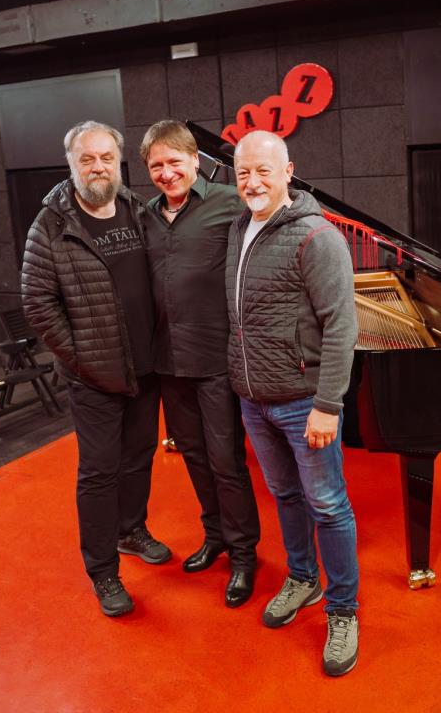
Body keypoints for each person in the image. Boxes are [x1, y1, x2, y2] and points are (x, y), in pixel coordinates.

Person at [21, 120, 171, 618]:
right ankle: (104, 571)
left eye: (106, 157)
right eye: (87, 159)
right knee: (100, 473)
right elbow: (38, 304)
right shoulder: (50, 225)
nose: (98, 167)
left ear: (118, 161)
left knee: (139, 457)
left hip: (145, 367)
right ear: (71, 165)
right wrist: (83, 359)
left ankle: (132, 529)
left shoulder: (136, 209)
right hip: (93, 377)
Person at [225, 129, 361, 676]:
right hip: (254, 400)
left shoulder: (317, 237)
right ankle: (303, 578)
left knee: (328, 505)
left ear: (288, 171)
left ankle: (343, 610)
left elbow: (341, 325)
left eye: (264, 170)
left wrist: (328, 404)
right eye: (243, 173)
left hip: (304, 403)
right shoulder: (239, 228)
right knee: (284, 494)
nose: (252, 182)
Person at [140, 120, 261, 608]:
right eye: (156, 166)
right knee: (193, 455)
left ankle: (244, 554)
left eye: (174, 162)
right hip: (168, 361)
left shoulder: (230, 203)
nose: (166, 173)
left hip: (215, 359)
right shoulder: (146, 215)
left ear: (195, 160)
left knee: (226, 461)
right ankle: (215, 536)